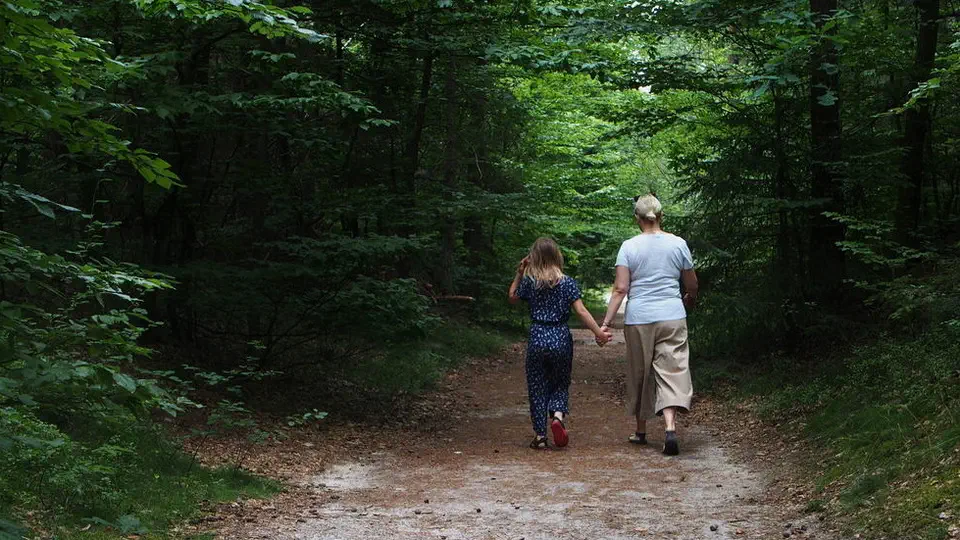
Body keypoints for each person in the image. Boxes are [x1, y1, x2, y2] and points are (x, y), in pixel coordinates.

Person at [599, 194, 698, 456]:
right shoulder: (678, 244)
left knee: (640, 372)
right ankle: (669, 428)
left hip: (639, 318)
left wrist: (606, 323)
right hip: (672, 315)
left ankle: (641, 431)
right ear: (661, 216)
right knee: (672, 370)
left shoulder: (629, 246)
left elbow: (621, 289)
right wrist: (689, 297)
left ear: (637, 219)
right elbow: (692, 284)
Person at [509, 238, 613, 450]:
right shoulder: (567, 282)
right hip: (560, 337)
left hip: (538, 336)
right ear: (557, 256)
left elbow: (512, 297)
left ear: (533, 258)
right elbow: (581, 311)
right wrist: (599, 333)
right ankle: (557, 416)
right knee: (560, 381)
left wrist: (520, 272)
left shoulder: (530, 282)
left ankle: (539, 436)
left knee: (537, 386)